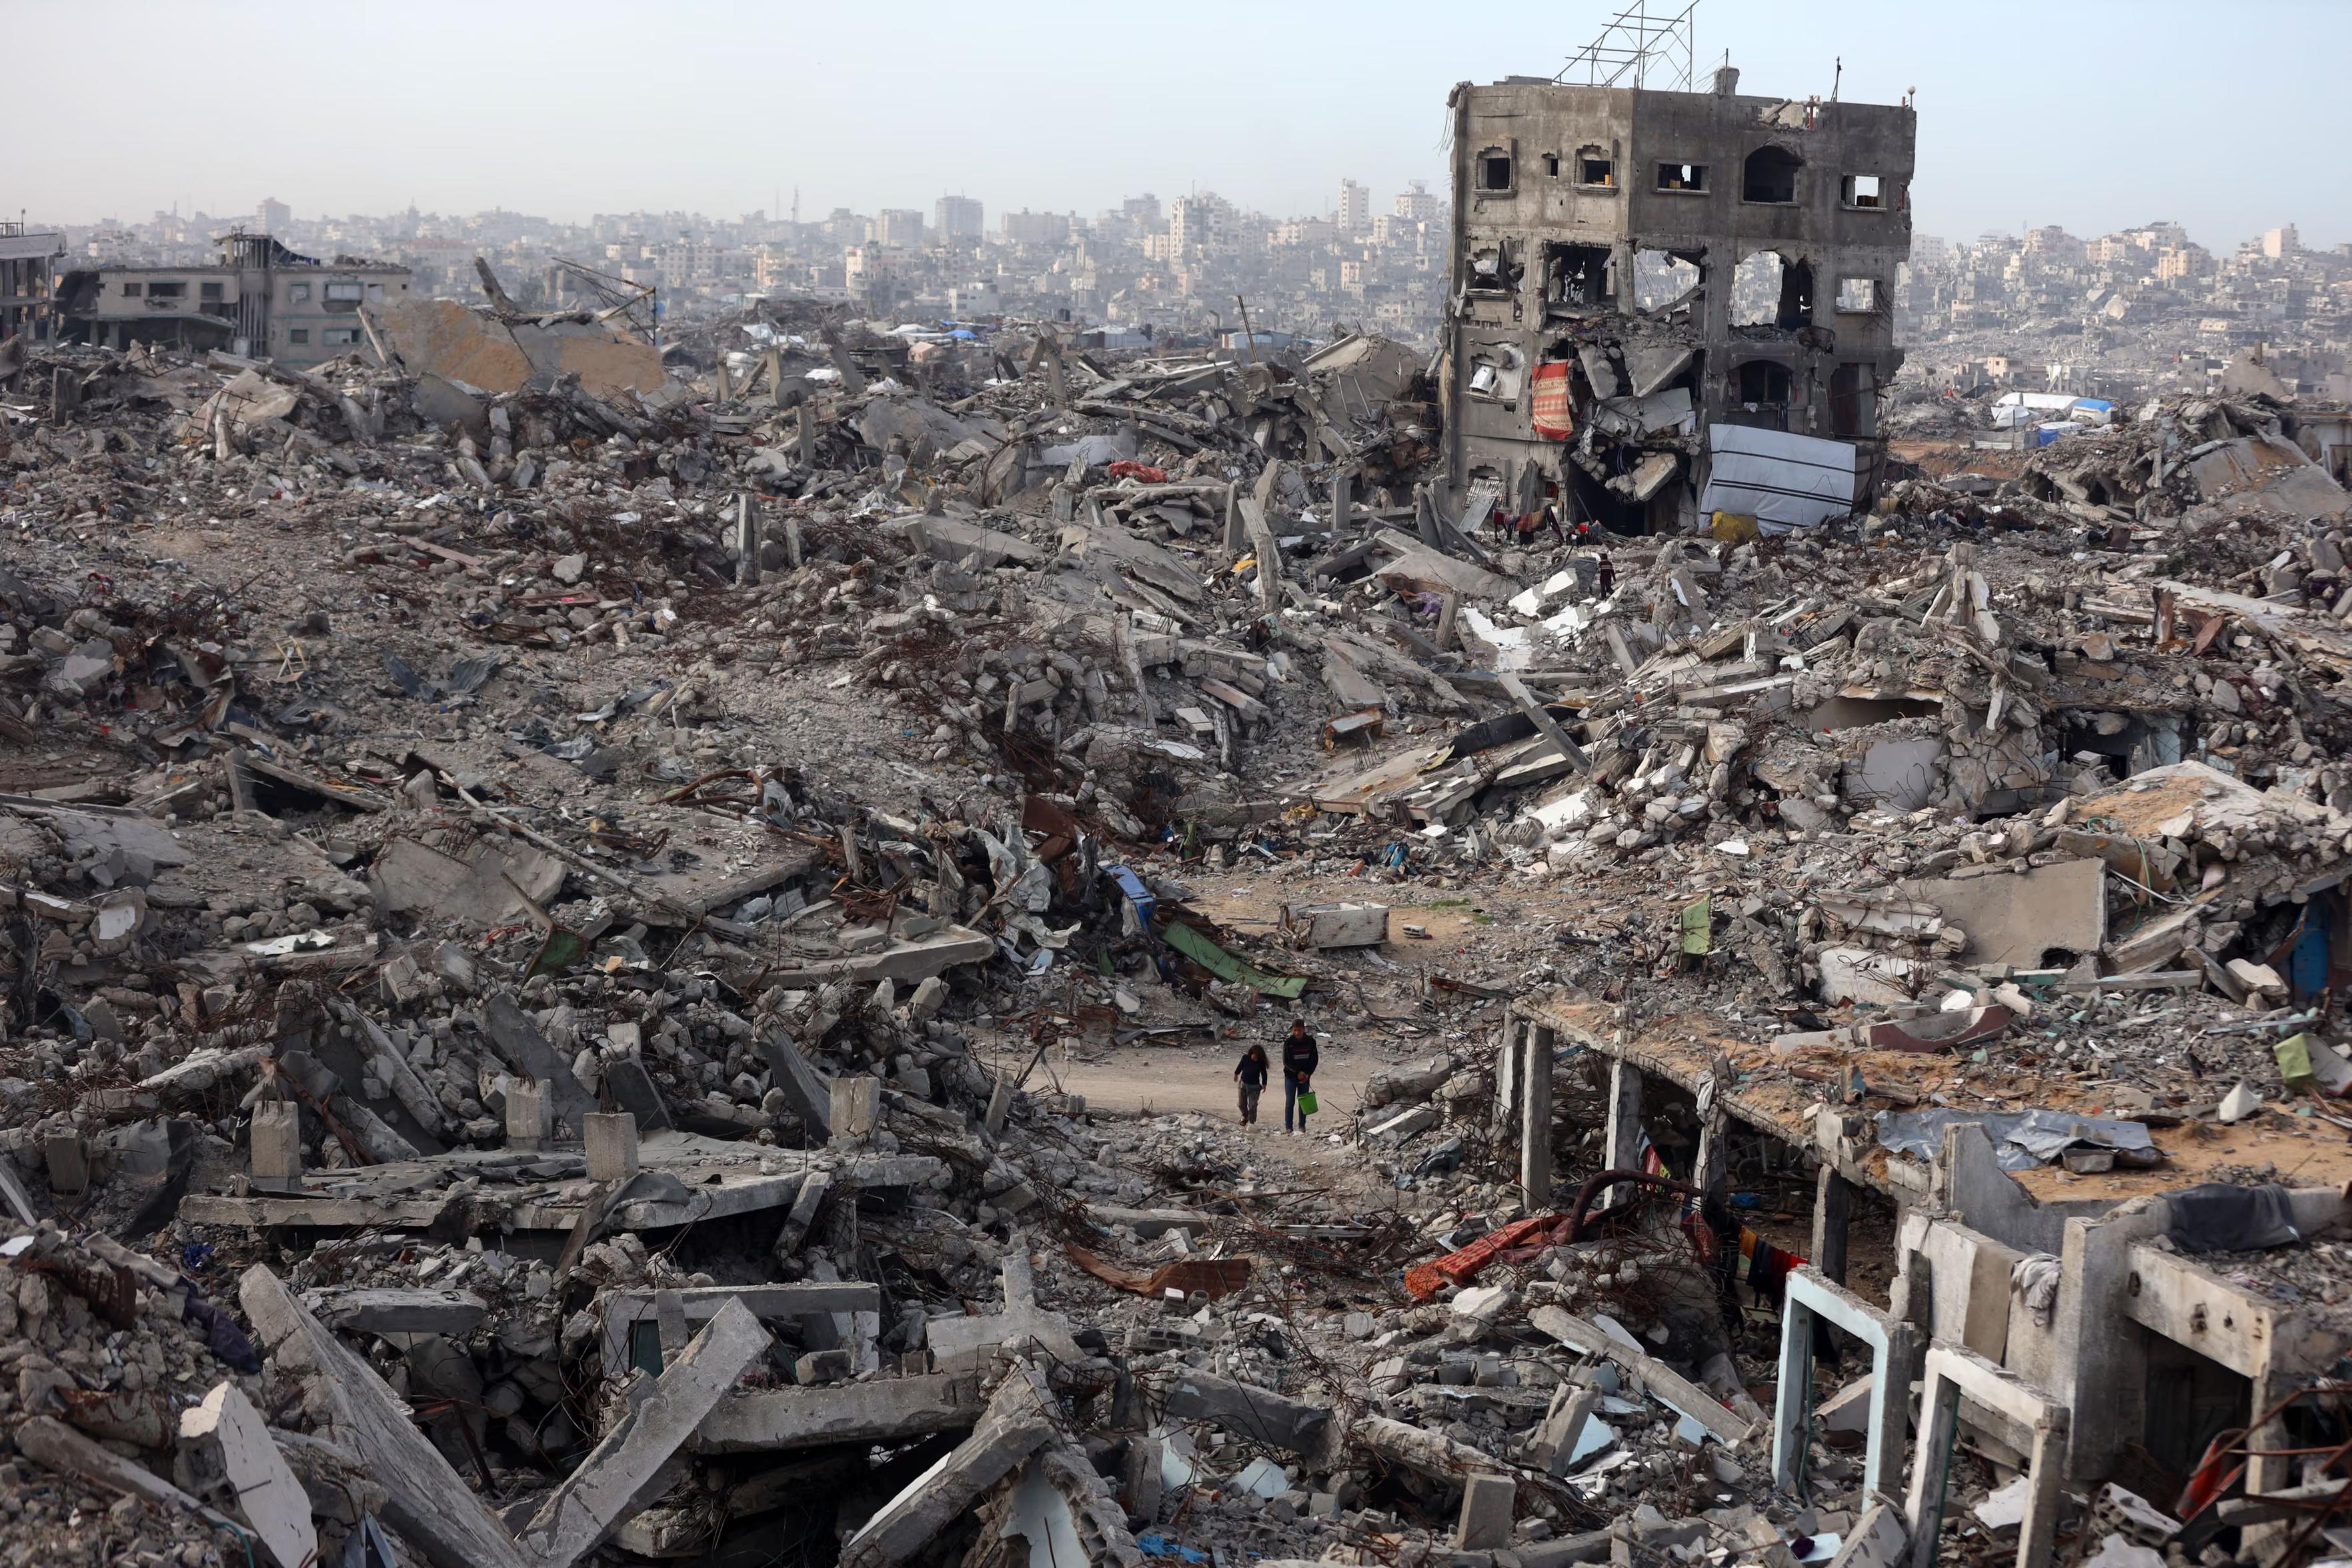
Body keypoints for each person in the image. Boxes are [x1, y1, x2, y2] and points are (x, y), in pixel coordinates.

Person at [1280, 1021, 1320, 1133]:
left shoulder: (1311, 1042)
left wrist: (1307, 1074)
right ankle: (1289, 1127)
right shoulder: (1288, 1043)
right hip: (1291, 1076)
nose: (1297, 1033)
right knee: (1290, 1102)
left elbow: (1314, 1060)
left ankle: (1302, 1126)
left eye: (1299, 1030)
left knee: (1304, 1101)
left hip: (1305, 1077)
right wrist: (1297, 1073)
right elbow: (1286, 1062)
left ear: (1304, 1030)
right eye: (1295, 1030)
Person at [1234, 1043, 1270, 1125]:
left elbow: (1264, 1074)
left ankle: (1252, 1122)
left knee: (1252, 1106)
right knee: (1241, 1104)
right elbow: (1240, 1067)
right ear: (1251, 1053)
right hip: (1243, 1084)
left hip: (1254, 1087)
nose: (1255, 1059)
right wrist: (1236, 1074)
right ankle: (1245, 1117)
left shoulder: (1261, 1063)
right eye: (1255, 1056)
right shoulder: (1245, 1058)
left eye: (1258, 1057)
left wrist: (1264, 1084)